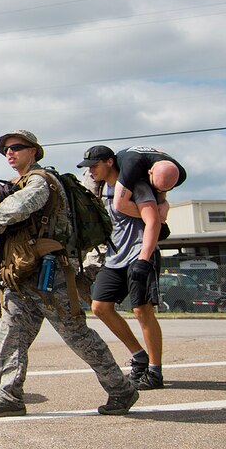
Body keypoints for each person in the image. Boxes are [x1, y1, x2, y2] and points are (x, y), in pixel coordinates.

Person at [0, 130, 138, 416]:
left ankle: (121, 389)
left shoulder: (42, 181)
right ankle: (9, 397)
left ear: (33, 151)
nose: (10, 153)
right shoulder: (15, 184)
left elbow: (22, 206)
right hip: (21, 274)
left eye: (16, 147)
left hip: (50, 273)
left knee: (76, 334)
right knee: (10, 335)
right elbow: (7, 218)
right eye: (5, 150)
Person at [76, 145, 184, 391]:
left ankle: (154, 372)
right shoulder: (105, 189)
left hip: (138, 255)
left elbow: (153, 221)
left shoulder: (137, 186)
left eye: (95, 165)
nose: (91, 171)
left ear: (110, 162)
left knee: (142, 312)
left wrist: (144, 260)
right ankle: (139, 356)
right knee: (100, 307)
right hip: (115, 258)